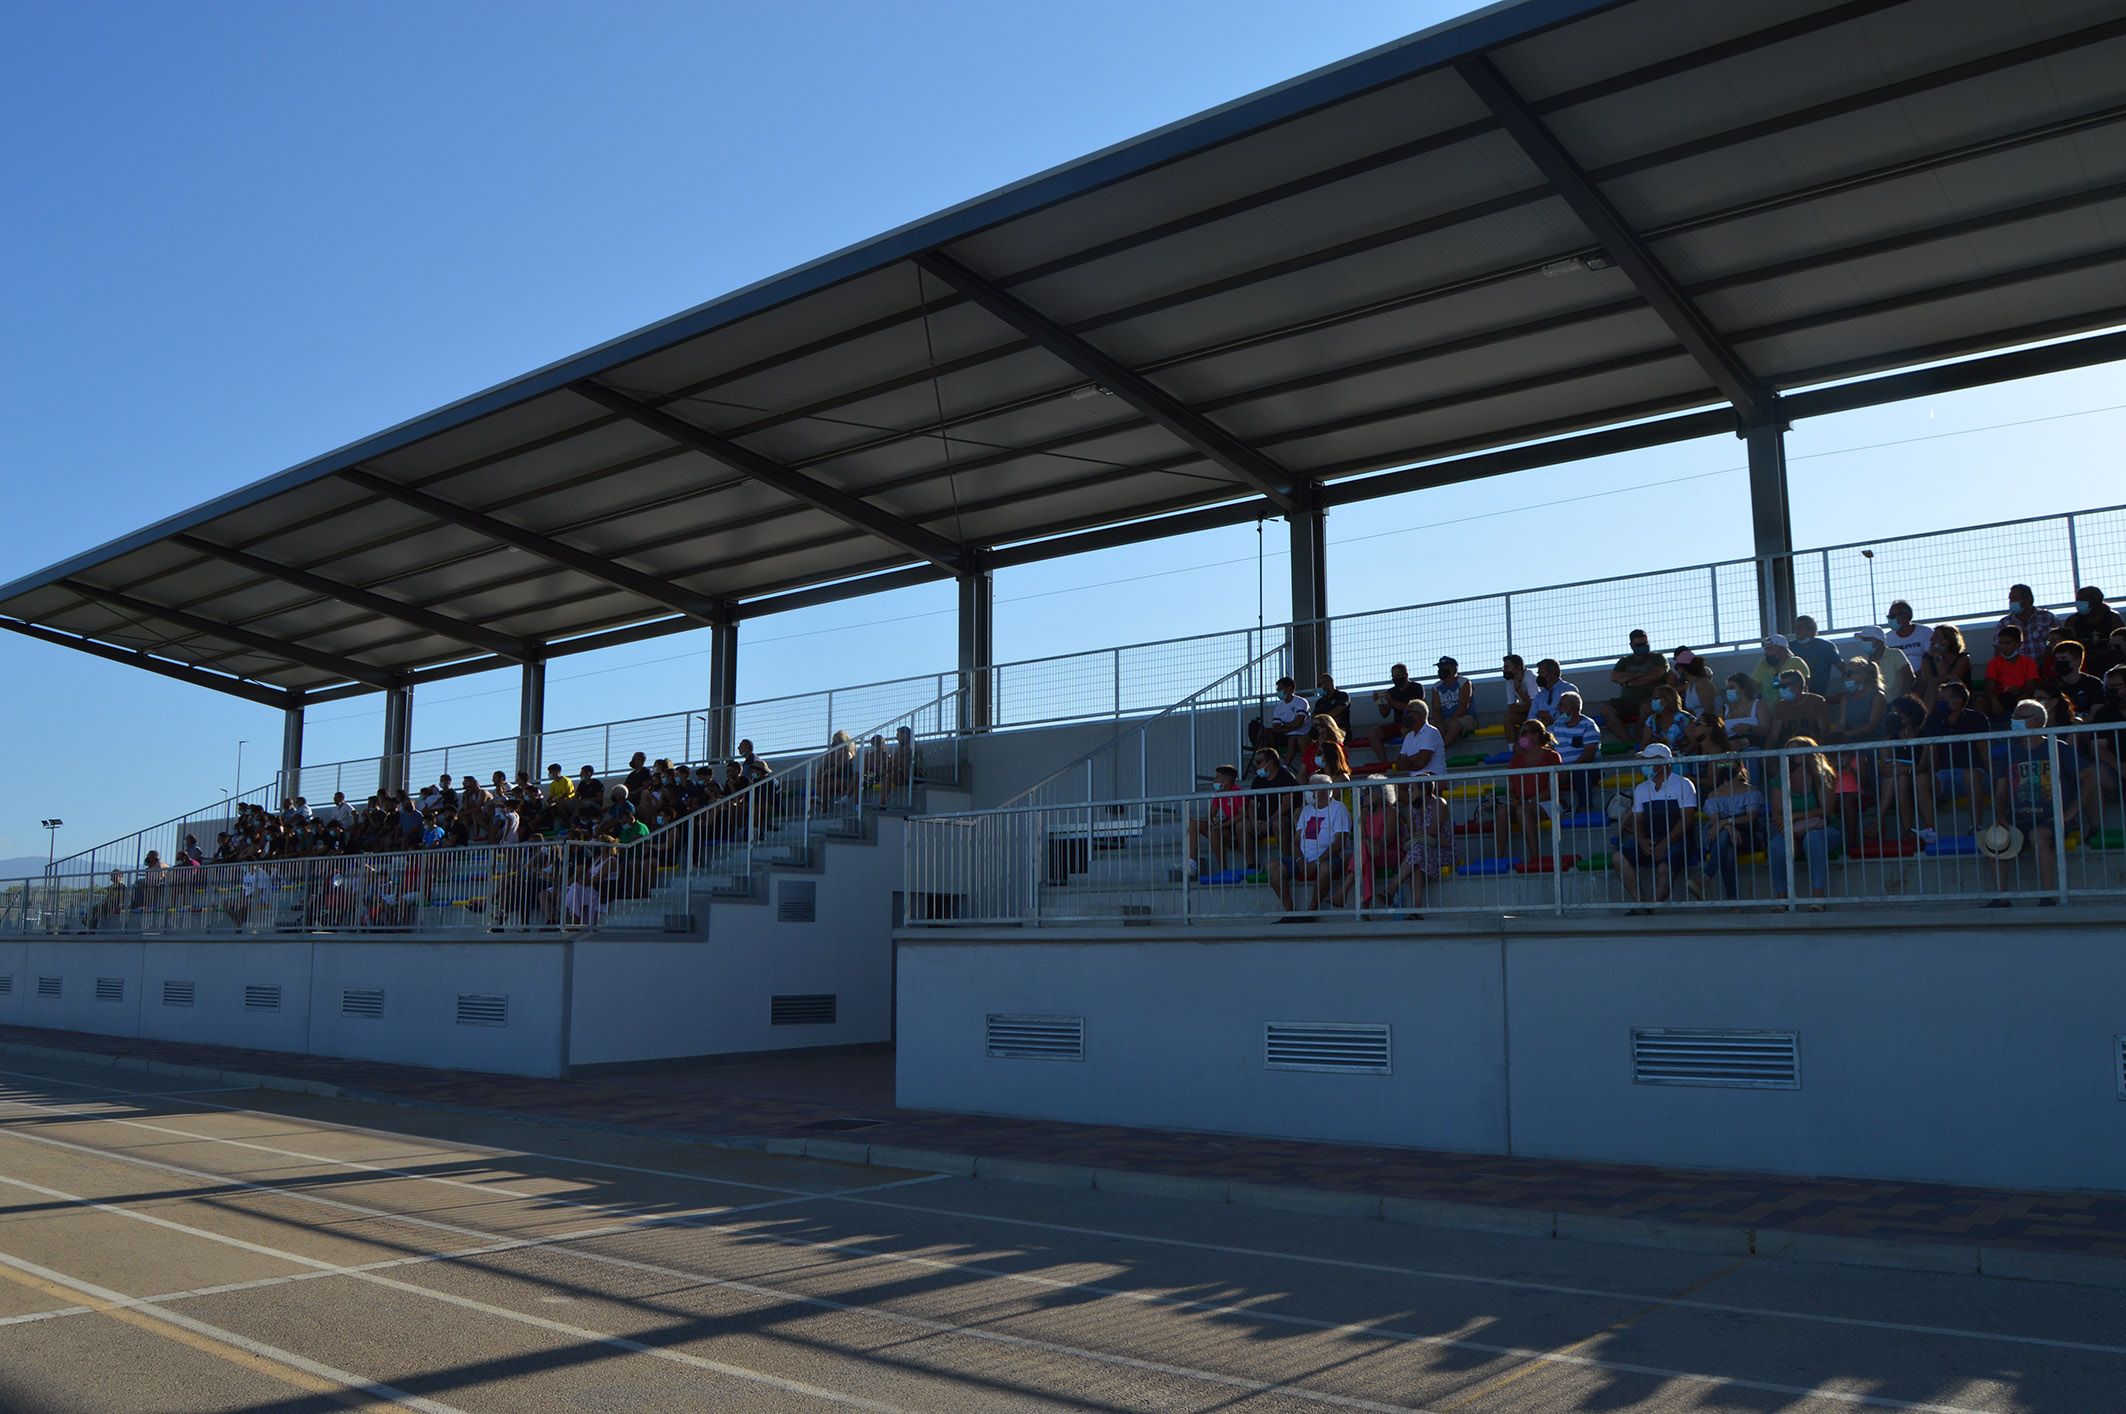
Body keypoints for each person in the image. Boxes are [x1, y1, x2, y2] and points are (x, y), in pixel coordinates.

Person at [1987, 699, 2060, 906]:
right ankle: (2002, 898)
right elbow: (2001, 792)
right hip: (2018, 818)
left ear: (2036, 721)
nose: (2014, 721)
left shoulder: (2056, 748)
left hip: (2049, 818)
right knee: (1993, 840)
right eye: (2014, 717)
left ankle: (2048, 896)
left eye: (2019, 717)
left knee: (2038, 835)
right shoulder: (2008, 755)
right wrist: (2000, 816)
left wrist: (2068, 814)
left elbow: (2089, 776)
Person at [1616, 743, 1696, 912]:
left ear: (1664, 761)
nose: (1644, 763)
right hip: (1650, 841)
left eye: (1648, 760)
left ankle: (1650, 906)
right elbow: (1637, 821)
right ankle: (1642, 905)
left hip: (1678, 841)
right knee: (1618, 858)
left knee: (1664, 869)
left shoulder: (1684, 784)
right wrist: (1641, 840)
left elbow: (1687, 820)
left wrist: (1665, 843)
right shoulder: (1641, 789)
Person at [1768, 738, 1842, 909]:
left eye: (1794, 751)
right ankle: (1781, 898)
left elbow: (1826, 811)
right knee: (1776, 846)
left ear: (1807, 754)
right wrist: (1798, 826)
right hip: (1792, 830)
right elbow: (1778, 815)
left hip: (1824, 830)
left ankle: (1818, 897)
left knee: (1813, 837)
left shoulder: (1823, 777)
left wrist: (1795, 818)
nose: (1790, 756)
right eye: (1787, 751)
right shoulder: (1780, 779)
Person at [1917, 681, 1991, 846]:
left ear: (1957, 701)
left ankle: (1976, 827)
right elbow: (1929, 750)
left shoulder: (1977, 718)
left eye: (1942, 699)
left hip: (1974, 774)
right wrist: (1924, 766)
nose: (1938, 703)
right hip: (1944, 775)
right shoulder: (1934, 720)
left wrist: (1993, 774)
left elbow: (1983, 750)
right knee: (1921, 780)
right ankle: (1930, 831)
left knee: (1970, 774)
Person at [1268, 775, 1351, 917]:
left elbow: (1339, 842)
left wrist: (1317, 861)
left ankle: (1311, 910)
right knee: (1273, 866)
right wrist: (1300, 860)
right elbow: (1296, 840)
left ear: (1324, 790)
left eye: (1311, 787)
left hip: (1328, 858)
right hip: (1303, 859)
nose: (1308, 791)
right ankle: (1290, 912)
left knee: (1325, 868)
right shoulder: (1306, 810)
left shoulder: (1339, 808)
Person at [1495, 719, 1562, 861]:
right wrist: (1514, 800)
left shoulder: (1552, 756)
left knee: (1523, 810)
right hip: (1522, 803)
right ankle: (1498, 859)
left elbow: (1552, 789)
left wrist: (1529, 801)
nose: (1520, 737)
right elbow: (1511, 789)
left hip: (1547, 803)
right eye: (1520, 733)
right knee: (1502, 811)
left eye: (1524, 733)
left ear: (1536, 735)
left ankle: (1534, 858)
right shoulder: (1516, 760)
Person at [1388, 780, 1455, 919]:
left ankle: (1392, 887)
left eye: (1412, 789)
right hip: (1422, 851)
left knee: (1418, 851)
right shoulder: (1413, 808)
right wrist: (1419, 833)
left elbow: (1432, 830)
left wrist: (1420, 834)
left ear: (1423, 791)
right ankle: (1417, 910)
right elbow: (1409, 835)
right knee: (1417, 861)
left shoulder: (1439, 804)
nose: (1409, 792)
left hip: (1443, 851)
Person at [1600, 630, 1669, 742]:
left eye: (1645, 644)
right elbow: (1615, 677)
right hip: (1627, 701)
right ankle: (1629, 743)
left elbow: (1655, 675)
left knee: (1647, 708)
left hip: (1650, 697)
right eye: (1639, 645)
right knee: (1606, 710)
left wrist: (1630, 682)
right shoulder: (1624, 661)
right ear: (1631, 645)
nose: (1643, 647)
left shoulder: (1658, 658)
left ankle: (1639, 743)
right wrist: (1641, 674)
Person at [1187, 764, 1247, 880]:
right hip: (1224, 827)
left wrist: (1221, 825)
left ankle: (1223, 871)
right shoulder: (1220, 793)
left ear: (1227, 780)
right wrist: (1211, 821)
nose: (1215, 780)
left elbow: (1242, 814)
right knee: (1193, 823)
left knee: (1214, 832)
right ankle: (1192, 863)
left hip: (1235, 831)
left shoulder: (1237, 791)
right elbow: (1210, 814)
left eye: (1218, 778)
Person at [1549, 691, 1604, 807]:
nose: (1558, 708)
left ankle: (1585, 807)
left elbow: (1589, 754)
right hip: (1563, 770)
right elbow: (1545, 741)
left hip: (1588, 768)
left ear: (1573, 707)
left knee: (1580, 772)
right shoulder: (1557, 724)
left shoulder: (1588, 725)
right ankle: (1561, 806)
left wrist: (1568, 769)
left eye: (1562, 705)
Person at [1980, 622, 2042, 721]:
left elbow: (2031, 689)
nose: (2003, 646)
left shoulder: (2029, 663)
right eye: (2001, 643)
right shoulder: (1994, 663)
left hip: (2019, 696)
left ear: (2019, 644)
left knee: (2024, 700)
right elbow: (1990, 688)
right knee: (1980, 703)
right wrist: (1995, 701)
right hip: (1999, 697)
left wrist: (2019, 690)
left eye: (2007, 643)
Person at [1367, 664, 1422, 764]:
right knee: (1374, 733)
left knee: (1405, 730)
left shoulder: (1417, 687)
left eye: (1397, 676)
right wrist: (1379, 703)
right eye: (1393, 677)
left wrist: (1391, 701)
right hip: (1397, 723)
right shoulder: (1391, 692)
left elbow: (1412, 708)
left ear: (1405, 675)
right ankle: (1383, 763)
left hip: (1413, 723)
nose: (1395, 679)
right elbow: (1385, 714)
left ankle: (1410, 759)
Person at [1765, 668, 1827, 748]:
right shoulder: (1780, 706)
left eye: (1783, 686)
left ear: (1797, 685)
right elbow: (1774, 734)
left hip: (1813, 746)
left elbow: (1824, 731)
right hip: (1790, 748)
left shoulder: (1817, 701)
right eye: (1779, 686)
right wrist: (1766, 754)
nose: (1780, 689)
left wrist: (1817, 751)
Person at [1253, 676, 1313, 760]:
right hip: (1284, 735)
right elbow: (1276, 727)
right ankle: (1263, 760)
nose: (1278, 692)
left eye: (1280, 689)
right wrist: (1288, 727)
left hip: (1300, 734)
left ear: (1289, 688)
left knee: (1292, 739)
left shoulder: (1301, 702)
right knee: (1263, 732)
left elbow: (1298, 724)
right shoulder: (1279, 707)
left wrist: (1284, 726)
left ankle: (1285, 767)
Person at [1916, 623, 1972, 710]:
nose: (1931, 640)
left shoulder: (1963, 658)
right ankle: (1926, 719)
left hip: (1956, 696)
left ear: (1947, 640)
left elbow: (1949, 682)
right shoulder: (1927, 658)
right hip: (1934, 696)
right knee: (1933, 687)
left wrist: (1938, 657)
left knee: (1936, 686)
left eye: (1936, 637)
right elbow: (1926, 679)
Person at [1851, 625, 1913, 702]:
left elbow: (1909, 678)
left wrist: (1902, 702)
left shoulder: (1895, 654)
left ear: (1879, 641)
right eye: (1862, 639)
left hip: (1894, 703)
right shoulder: (1865, 663)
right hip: (1874, 706)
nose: (1862, 642)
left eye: (1866, 639)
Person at [2060, 585, 2125, 657]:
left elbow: (2121, 642)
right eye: (2077, 600)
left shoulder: (2113, 618)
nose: (2078, 603)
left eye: (2082, 600)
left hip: (2111, 658)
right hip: (2083, 661)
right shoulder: (2072, 621)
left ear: (2095, 601)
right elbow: (2068, 645)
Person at [2000, 583, 2060, 659]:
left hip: (2045, 666)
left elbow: (2056, 641)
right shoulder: (2004, 623)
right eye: (2010, 599)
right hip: (2018, 668)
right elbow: (1999, 649)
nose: (2011, 602)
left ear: (2028, 599)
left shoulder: (2048, 617)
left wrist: (2046, 654)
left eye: (2015, 598)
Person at [1428, 657, 1475, 748]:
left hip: (1465, 718)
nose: (1441, 670)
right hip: (1444, 719)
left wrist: (1449, 723)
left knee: (1454, 725)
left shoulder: (1464, 682)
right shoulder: (1436, 687)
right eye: (1440, 668)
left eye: (1444, 667)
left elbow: (1463, 707)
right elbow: (1436, 710)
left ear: (1453, 669)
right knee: (1429, 726)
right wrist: (1440, 724)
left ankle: (1441, 750)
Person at [2047, 638, 2103, 715]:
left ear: (2077, 661)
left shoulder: (2094, 684)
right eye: (2057, 659)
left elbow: (2096, 713)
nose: (2059, 662)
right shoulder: (2050, 685)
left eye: (2063, 658)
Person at [1789, 617, 1842, 693]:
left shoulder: (1826, 646)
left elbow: (1842, 667)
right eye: (1795, 628)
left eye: (1800, 628)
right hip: (1794, 693)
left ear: (1811, 630)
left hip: (1818, 693)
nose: (1797, 631)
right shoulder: (1790, 647)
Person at [1636, 684, 1694, 755]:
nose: (1653, 701)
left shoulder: (1682, 717)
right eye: (1653, 698)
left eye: (1656, 698)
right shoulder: (1651, 720)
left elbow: (1695, 741)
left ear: (1667, 700)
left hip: (1684, 760)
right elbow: (1644, 744)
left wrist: (1680, 754)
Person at [1394, 700, 1446, 778]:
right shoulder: (1409, 736)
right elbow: (1398, 765)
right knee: (1397, 788)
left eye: (1408, 712)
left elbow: (1421, 763)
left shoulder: (1431, 732)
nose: (1405, 716)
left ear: (1419, 714)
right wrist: (1415, 757)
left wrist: (1407, 762)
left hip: (1434, 779)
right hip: (1415, 781)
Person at [1882, 600, 1931, 676]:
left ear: (1906, 616)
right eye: (1889, 616)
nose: (1890, 619)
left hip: (1923, 677)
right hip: (1898, 680)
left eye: (1892, 616)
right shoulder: (1886, 639)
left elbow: (1930, 658)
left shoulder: (1925, 632)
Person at [1751, 634, 1808, 698]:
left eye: (1770, 649)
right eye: (1766, 649)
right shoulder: (1763, 663)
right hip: (1768, 707)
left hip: (1793, 706)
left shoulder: (1796, 662)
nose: (1766, 653)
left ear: (1782, 650)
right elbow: (1752, 686)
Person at [1721, 672, 1769, 748]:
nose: (1728, 691)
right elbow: (1718, 734)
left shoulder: (1759, 705)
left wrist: (1749, 728)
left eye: (1732, 688)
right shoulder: (1724, 709)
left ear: (1744, 689)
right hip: (1731, 748)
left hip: (1753, 746)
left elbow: (1766, 730)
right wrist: (1728, 744)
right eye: (1727, 688)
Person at [1527, 658, 1577, 728]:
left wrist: (1550, 717)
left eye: (1541, 673)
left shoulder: (1568, 689)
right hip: (1544, 735)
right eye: (1538, 674)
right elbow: (1531, 718)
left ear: (1552, 674)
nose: (1539, 677)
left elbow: (1569, 715)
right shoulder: (1539, 696)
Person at [1670, 648, 1719, 717]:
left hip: (1709, 725)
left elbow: (1709, 710)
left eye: (1678, 667)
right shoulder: (1690, 686)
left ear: (1685, 668)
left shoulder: (1702, 683)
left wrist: (1696, 723)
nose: (1677, 670)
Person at [1500, 654, 1537, 734]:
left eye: (1507, 667)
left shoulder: (1529, 675)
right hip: (1526, 713)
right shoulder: (1509, 681)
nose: (1504, 670)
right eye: (1504, 667)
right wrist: (1527, 707)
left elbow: (1535, 705)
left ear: (1518, 667)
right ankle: (1511, 746)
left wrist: (1518, 689)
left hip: (1539, 713)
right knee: (1508, 718)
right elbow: (1511, 707)